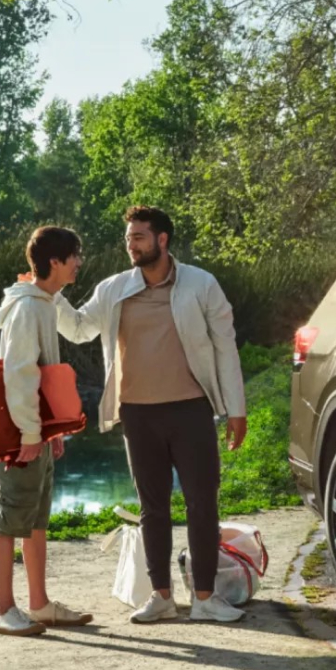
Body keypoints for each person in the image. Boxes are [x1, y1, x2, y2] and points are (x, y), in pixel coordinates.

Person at [55, 206, 249, 623]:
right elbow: (77, 329)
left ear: (162, 240)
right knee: (152, 507)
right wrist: (46, 292)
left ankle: (205, 598)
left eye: (139, 236)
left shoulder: (201, 284)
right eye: (128, 238)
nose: (131, 244)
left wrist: (237, 410)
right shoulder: (114, 289)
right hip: (138, 414)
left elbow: (225, 347)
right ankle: (161, 596)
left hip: (191, 409)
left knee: (202, 503)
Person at [0, 226, 96, 636]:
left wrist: (51, 433)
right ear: (56, 261)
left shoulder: (44, 302)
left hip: (36, 434)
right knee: (8, 520)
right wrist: (31, 435)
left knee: (35, 520)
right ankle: (4, 611)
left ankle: (39, 604)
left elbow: (44, 376)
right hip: (20, 436)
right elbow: (19, 375)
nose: (78, 263)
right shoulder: (29, 308)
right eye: (74, 256)